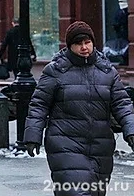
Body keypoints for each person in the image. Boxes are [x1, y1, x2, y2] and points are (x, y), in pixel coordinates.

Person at [24, 21, 134, 194]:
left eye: (87, 42)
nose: (84, 47)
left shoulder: (107, 72)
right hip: (65, 143)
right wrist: (32, 135)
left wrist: (131, 130)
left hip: (100, 146)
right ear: (70, 46)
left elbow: (122, 104)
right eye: (78, 43)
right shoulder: (55, 71)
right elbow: (39, 105)